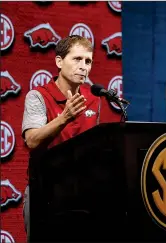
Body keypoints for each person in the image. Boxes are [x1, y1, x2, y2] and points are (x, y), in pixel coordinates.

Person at [21, 35, 118, 242]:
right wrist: (64, 117)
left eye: (88, 61)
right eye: (77, 59)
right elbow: (31, 140)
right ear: (59, 62)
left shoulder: (93, 100)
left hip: (83, 194)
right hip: (46, 191)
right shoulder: (38, 96)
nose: (84, 66)